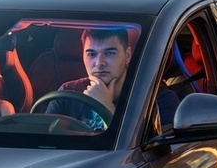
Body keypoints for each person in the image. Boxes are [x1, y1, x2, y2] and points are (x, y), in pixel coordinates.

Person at [45, 27, 178, 132]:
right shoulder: (67, 94)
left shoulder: (158, 100)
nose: (99, 63)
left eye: (109, 53)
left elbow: (158, 154)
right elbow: (46, 140)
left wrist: (106, 108)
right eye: (91, 54)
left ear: (127, 56)